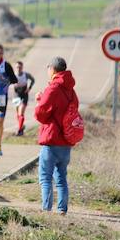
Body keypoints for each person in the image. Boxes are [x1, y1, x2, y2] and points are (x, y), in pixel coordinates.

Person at [33, 57, 78, 214]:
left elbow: (40, 113)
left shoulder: (53, 88)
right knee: (61, 178)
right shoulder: (71, 90)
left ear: (52, 69)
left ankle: (46, 209)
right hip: (66, 142)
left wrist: (39, 101)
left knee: (45, 178)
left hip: (51, 140)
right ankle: (62, 210)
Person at [13, 61, 36, 136]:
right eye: (17, 67)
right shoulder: (13, 75)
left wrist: (29, 88)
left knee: (21, 113)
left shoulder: (26, 75)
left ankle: (19, 130)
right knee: (17, 114)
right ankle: (21, 127)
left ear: (22, 67)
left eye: (20, 67)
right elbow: (7, 81)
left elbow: (33, 80)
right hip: (16, 95)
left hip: (24, 95)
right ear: (15, 68)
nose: (18, 68)